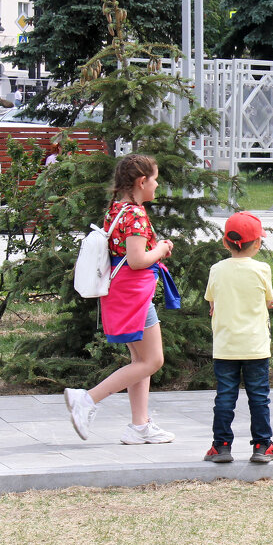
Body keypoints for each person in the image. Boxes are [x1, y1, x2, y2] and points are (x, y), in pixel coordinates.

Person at [64, 154, 179, 444]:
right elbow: (138, 260)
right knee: (152, 360)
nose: (157, 185)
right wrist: (163, 248)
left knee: (139, 359)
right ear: (142, 182)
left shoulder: (117, 209)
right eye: (154, 179)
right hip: (134, 294)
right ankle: (87, 400)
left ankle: (139, 426)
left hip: (122, 293)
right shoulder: (137, 215)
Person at [203, 212, 273, 464]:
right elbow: (269, 300)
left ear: (225, 243)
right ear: (257, 243)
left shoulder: (216, 269)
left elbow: (211, 302)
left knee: (225, 396)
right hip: (256, 347)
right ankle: (262, 445)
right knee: (259, 397)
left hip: (225, 347)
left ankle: (221, 446)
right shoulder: (262, 269)